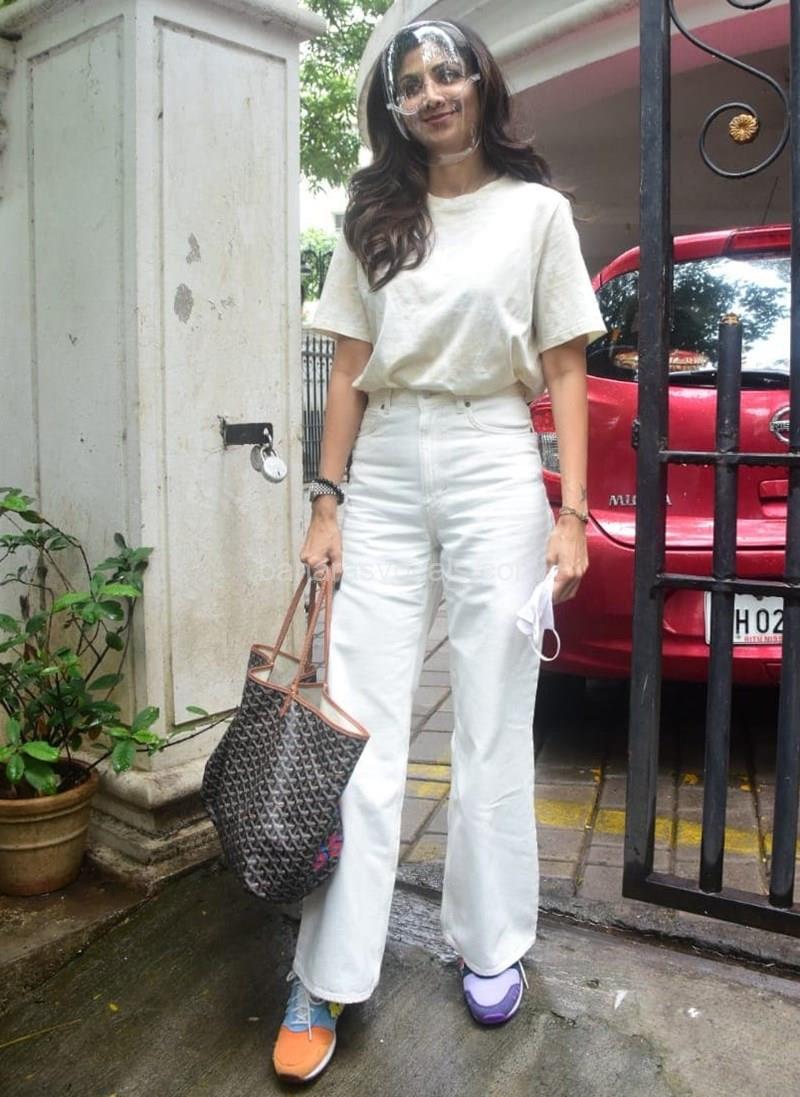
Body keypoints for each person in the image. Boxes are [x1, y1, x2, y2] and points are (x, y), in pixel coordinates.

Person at [272, 19, 606, 1083]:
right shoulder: (372, 213)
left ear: (479, 81)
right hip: (384, 457)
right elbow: (344, 368)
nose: (431, 93)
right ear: (396, 106)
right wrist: (326, 502)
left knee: (493, 715)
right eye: (410, 83)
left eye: (447, 72)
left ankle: (490, 938)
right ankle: (325, 968)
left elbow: (564, 367)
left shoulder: (536, 213)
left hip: (492, 453)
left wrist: (571, 513)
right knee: (358, 718)